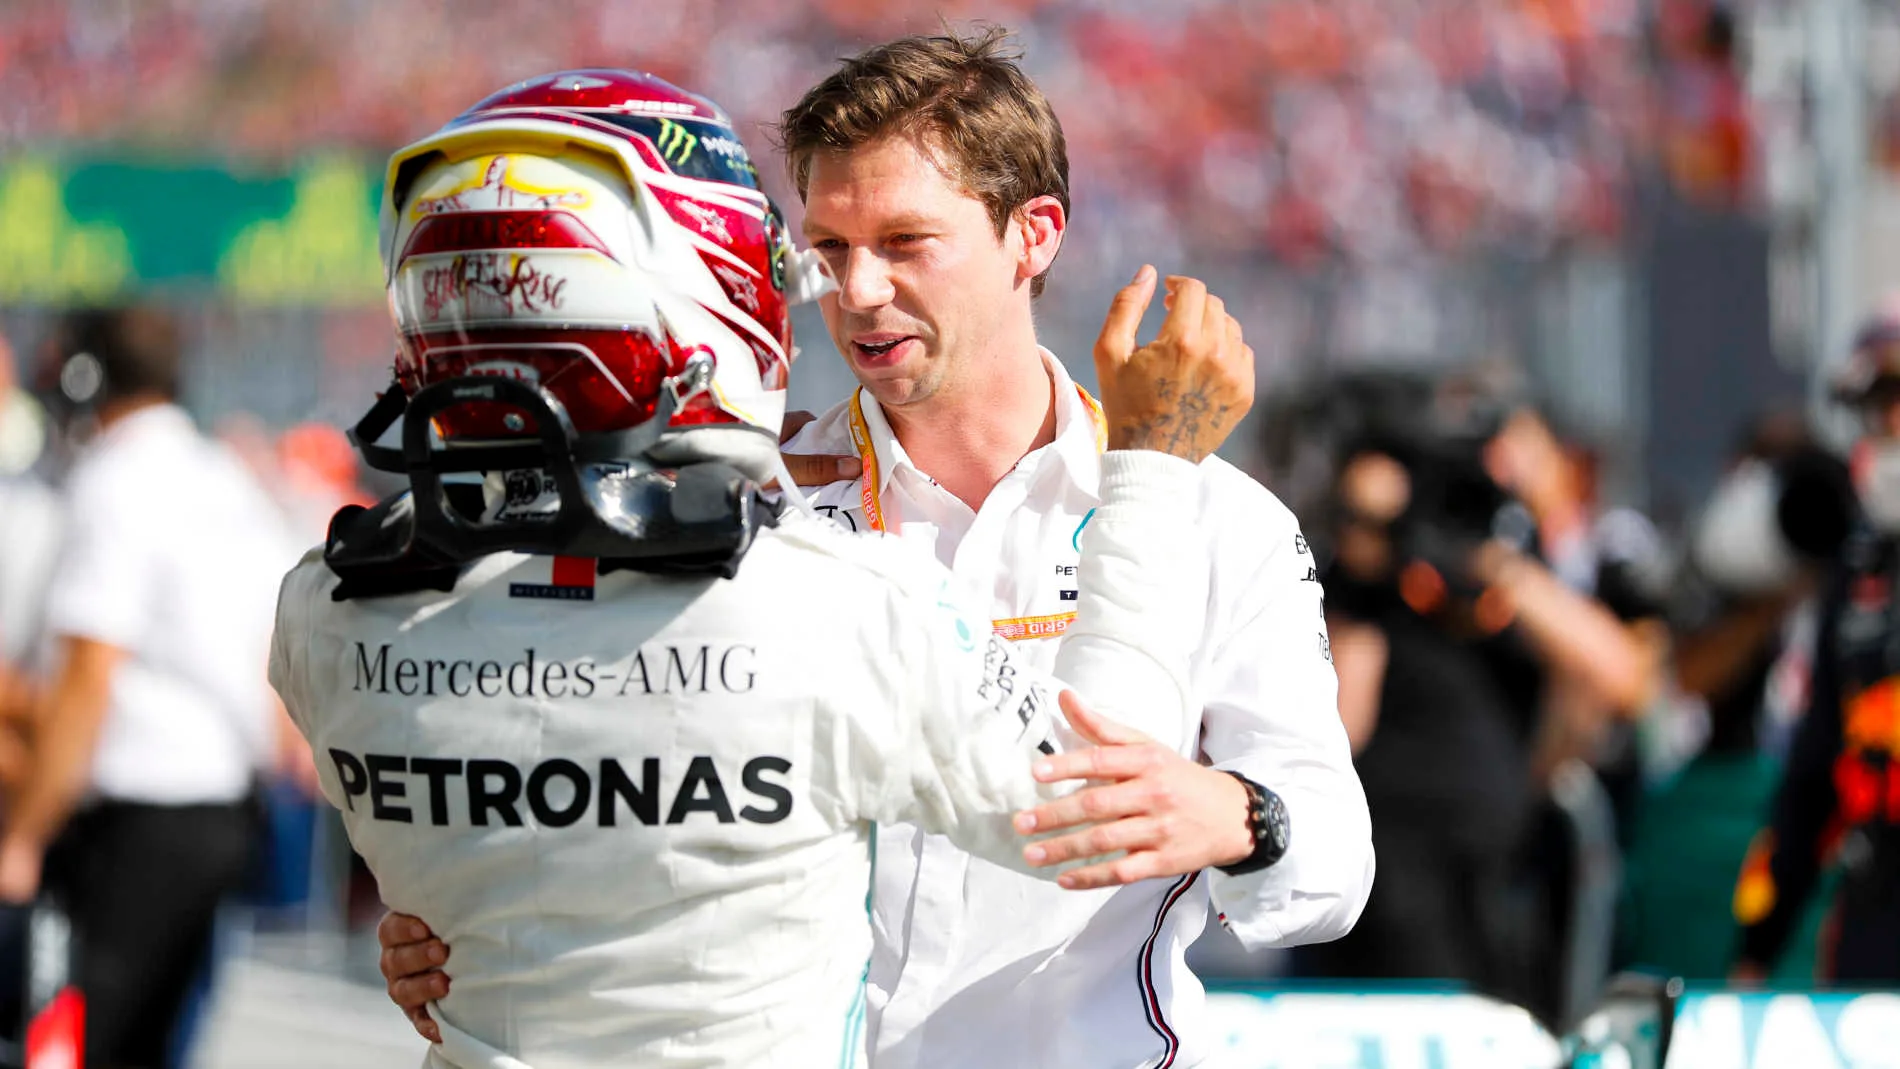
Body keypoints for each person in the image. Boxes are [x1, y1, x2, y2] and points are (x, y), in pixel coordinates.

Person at [382, 29, 1372, 1069]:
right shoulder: (734, 495)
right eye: (831, 247)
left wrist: (1236, 814)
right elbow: (592, 779)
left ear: (1032, 235)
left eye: (905, 243)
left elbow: (1333, 870)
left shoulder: (1207, 512)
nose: (854, 292)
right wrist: (469, 914)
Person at [0, 306, 291, 1067]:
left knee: (66, 1045)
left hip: (135, 820)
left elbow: (89, 673)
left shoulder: (114, 481)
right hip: (225, 807)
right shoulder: (222, 473)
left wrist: (24, 835)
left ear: (84, 377)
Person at [1733, 299, 1900, 982]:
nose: (1892, 423)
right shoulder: (1860, 567)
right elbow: (1812, 774)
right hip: (1879, 913)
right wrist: (1756, 949)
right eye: (1878, 403)